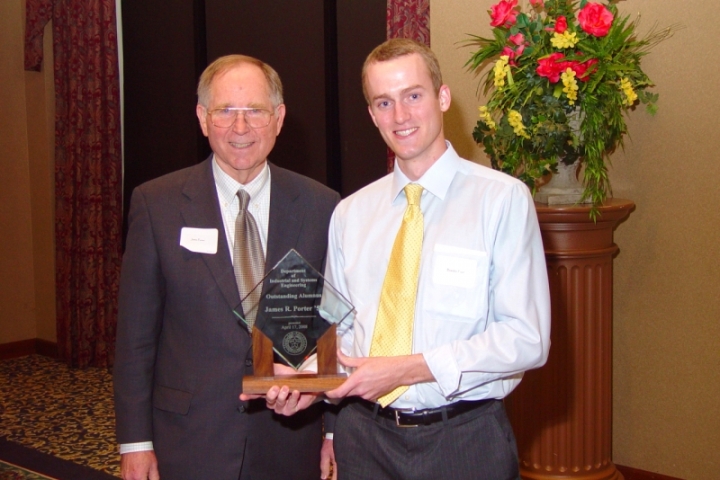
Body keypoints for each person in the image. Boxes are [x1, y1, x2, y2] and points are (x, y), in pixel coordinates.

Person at [261, 38, 551, 479]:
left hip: (464, 439)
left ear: (443, 97)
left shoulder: (502, 200)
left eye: (413, 95)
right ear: (372, 114)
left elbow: (527, 338)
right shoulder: (351, 214)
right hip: (365, 439)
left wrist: (411, 368)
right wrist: (311, 385)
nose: (400, 116)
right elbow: (339, 335)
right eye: (384, 102)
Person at [113, 54, 340, 480]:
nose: (240, 128)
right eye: (225, 112)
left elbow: (332, 327)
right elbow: (135, 339)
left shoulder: (322, 207)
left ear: (279, 118)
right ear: (202, 118)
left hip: (290, 439)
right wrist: (135, 441)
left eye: (255, 111)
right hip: (188, 438)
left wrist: (335, 432)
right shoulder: (156, 204)